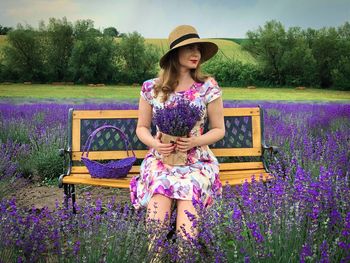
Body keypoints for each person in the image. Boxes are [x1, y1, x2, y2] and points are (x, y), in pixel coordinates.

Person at [129, 24, 225, 255]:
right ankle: (156, 256)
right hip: (162, 158)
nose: (196, 54)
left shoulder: (207, 87)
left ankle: (184, 255)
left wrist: (194, 142)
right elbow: (141, 128)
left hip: (196, 160)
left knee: (189, 194)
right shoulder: (152, 87)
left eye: (198, 49)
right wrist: (155, 144)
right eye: (189, 48)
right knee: (160, 191)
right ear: (175, 54)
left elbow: (219, 130)